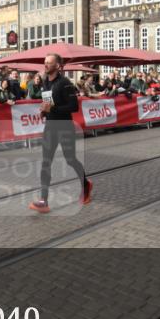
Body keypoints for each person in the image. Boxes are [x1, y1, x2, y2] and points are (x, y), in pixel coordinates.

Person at [29, 53, 92, 214]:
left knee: (70, 159)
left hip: (65, 126)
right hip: (50, 126)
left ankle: (85, 185)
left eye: (49, 63)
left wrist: (53, 109)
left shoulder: (65, 83)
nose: (45, 65)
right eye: (44, 62)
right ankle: (44, 201)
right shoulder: (44, 82)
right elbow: (48, 102)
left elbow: (73, 107)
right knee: (45, 162)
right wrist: (44, 111)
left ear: (58, 66)